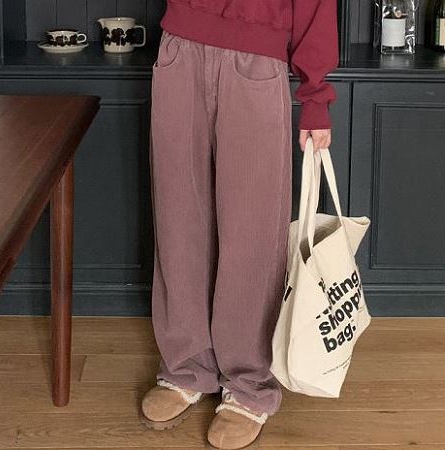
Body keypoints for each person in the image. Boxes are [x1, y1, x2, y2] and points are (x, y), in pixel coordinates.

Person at [141, 0, 339, 448]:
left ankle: (249, 383)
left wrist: (315, 95)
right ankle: (187, 364)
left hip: (256, 59)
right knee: (177, 219)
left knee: (252, 231)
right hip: (179, 50)